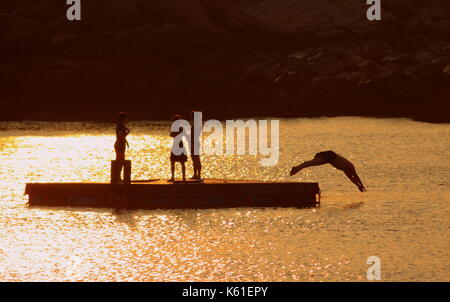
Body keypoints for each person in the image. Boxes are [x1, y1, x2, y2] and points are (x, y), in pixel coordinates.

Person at [290, 150, 366, 192]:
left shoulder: (345, 169)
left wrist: (358, 186)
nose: (350, 174)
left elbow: (352, 178)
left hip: (328, 156)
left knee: (311, 163)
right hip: (330, 156)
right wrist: (361, 186)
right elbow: (355, 177)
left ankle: (297, 168)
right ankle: (297, 168)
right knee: (311, 163)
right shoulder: (349, 166)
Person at [169, 114, 188, 182]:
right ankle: (183, 177)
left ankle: (172, 177)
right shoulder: (181, 127)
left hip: (175, 144)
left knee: (172, 161)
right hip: (181, 144)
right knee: (182, 162)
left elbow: (171, 135)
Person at [114, 112, 130, 181]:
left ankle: (118, 177)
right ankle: (117, 177)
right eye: (126, 118)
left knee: (121, 161)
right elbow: (120, 135)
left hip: (120, 144)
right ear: (123, 118)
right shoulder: (120, 126)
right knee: (120, 161)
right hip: (119, 145)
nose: (127, 119)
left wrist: (127, 133)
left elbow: (121, 135)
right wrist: (126, 141)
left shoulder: (121, 125)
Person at [189, 111, 202, 180]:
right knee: (194, 159)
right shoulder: (196, 124)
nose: (191, 117)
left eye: (192, 116)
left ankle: (198, 175)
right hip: (193, 143)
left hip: (195, 143)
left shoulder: (197, 125)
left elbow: (194, 134)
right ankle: (195, 174)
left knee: (196, 159)